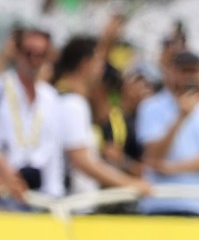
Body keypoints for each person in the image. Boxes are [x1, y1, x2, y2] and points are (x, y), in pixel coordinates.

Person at [52, 36, 151, 202]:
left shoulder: (66, 99)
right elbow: (81, 160)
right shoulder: (72, 104)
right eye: (99, 61)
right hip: (72, 203)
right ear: (86, 63)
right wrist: (129, 183)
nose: (103, 68)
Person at [136, 50, 199, 216]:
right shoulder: (150, 106)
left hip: (197, 205)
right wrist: (180, 118)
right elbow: (154, 155)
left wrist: (175, 168)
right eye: (184, 71)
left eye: (193, 71)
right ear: (169, 72)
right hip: (157, 204)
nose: (188, 77)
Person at [0, 26, 65, 200]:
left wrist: (55, 195)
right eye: (28, 53)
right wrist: (6, 174)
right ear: (17, 52)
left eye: (41, 54)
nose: (34, 60)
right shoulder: (3, 87)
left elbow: (54, 151)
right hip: (5, 191)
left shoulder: (50, 96)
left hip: (39, 195)